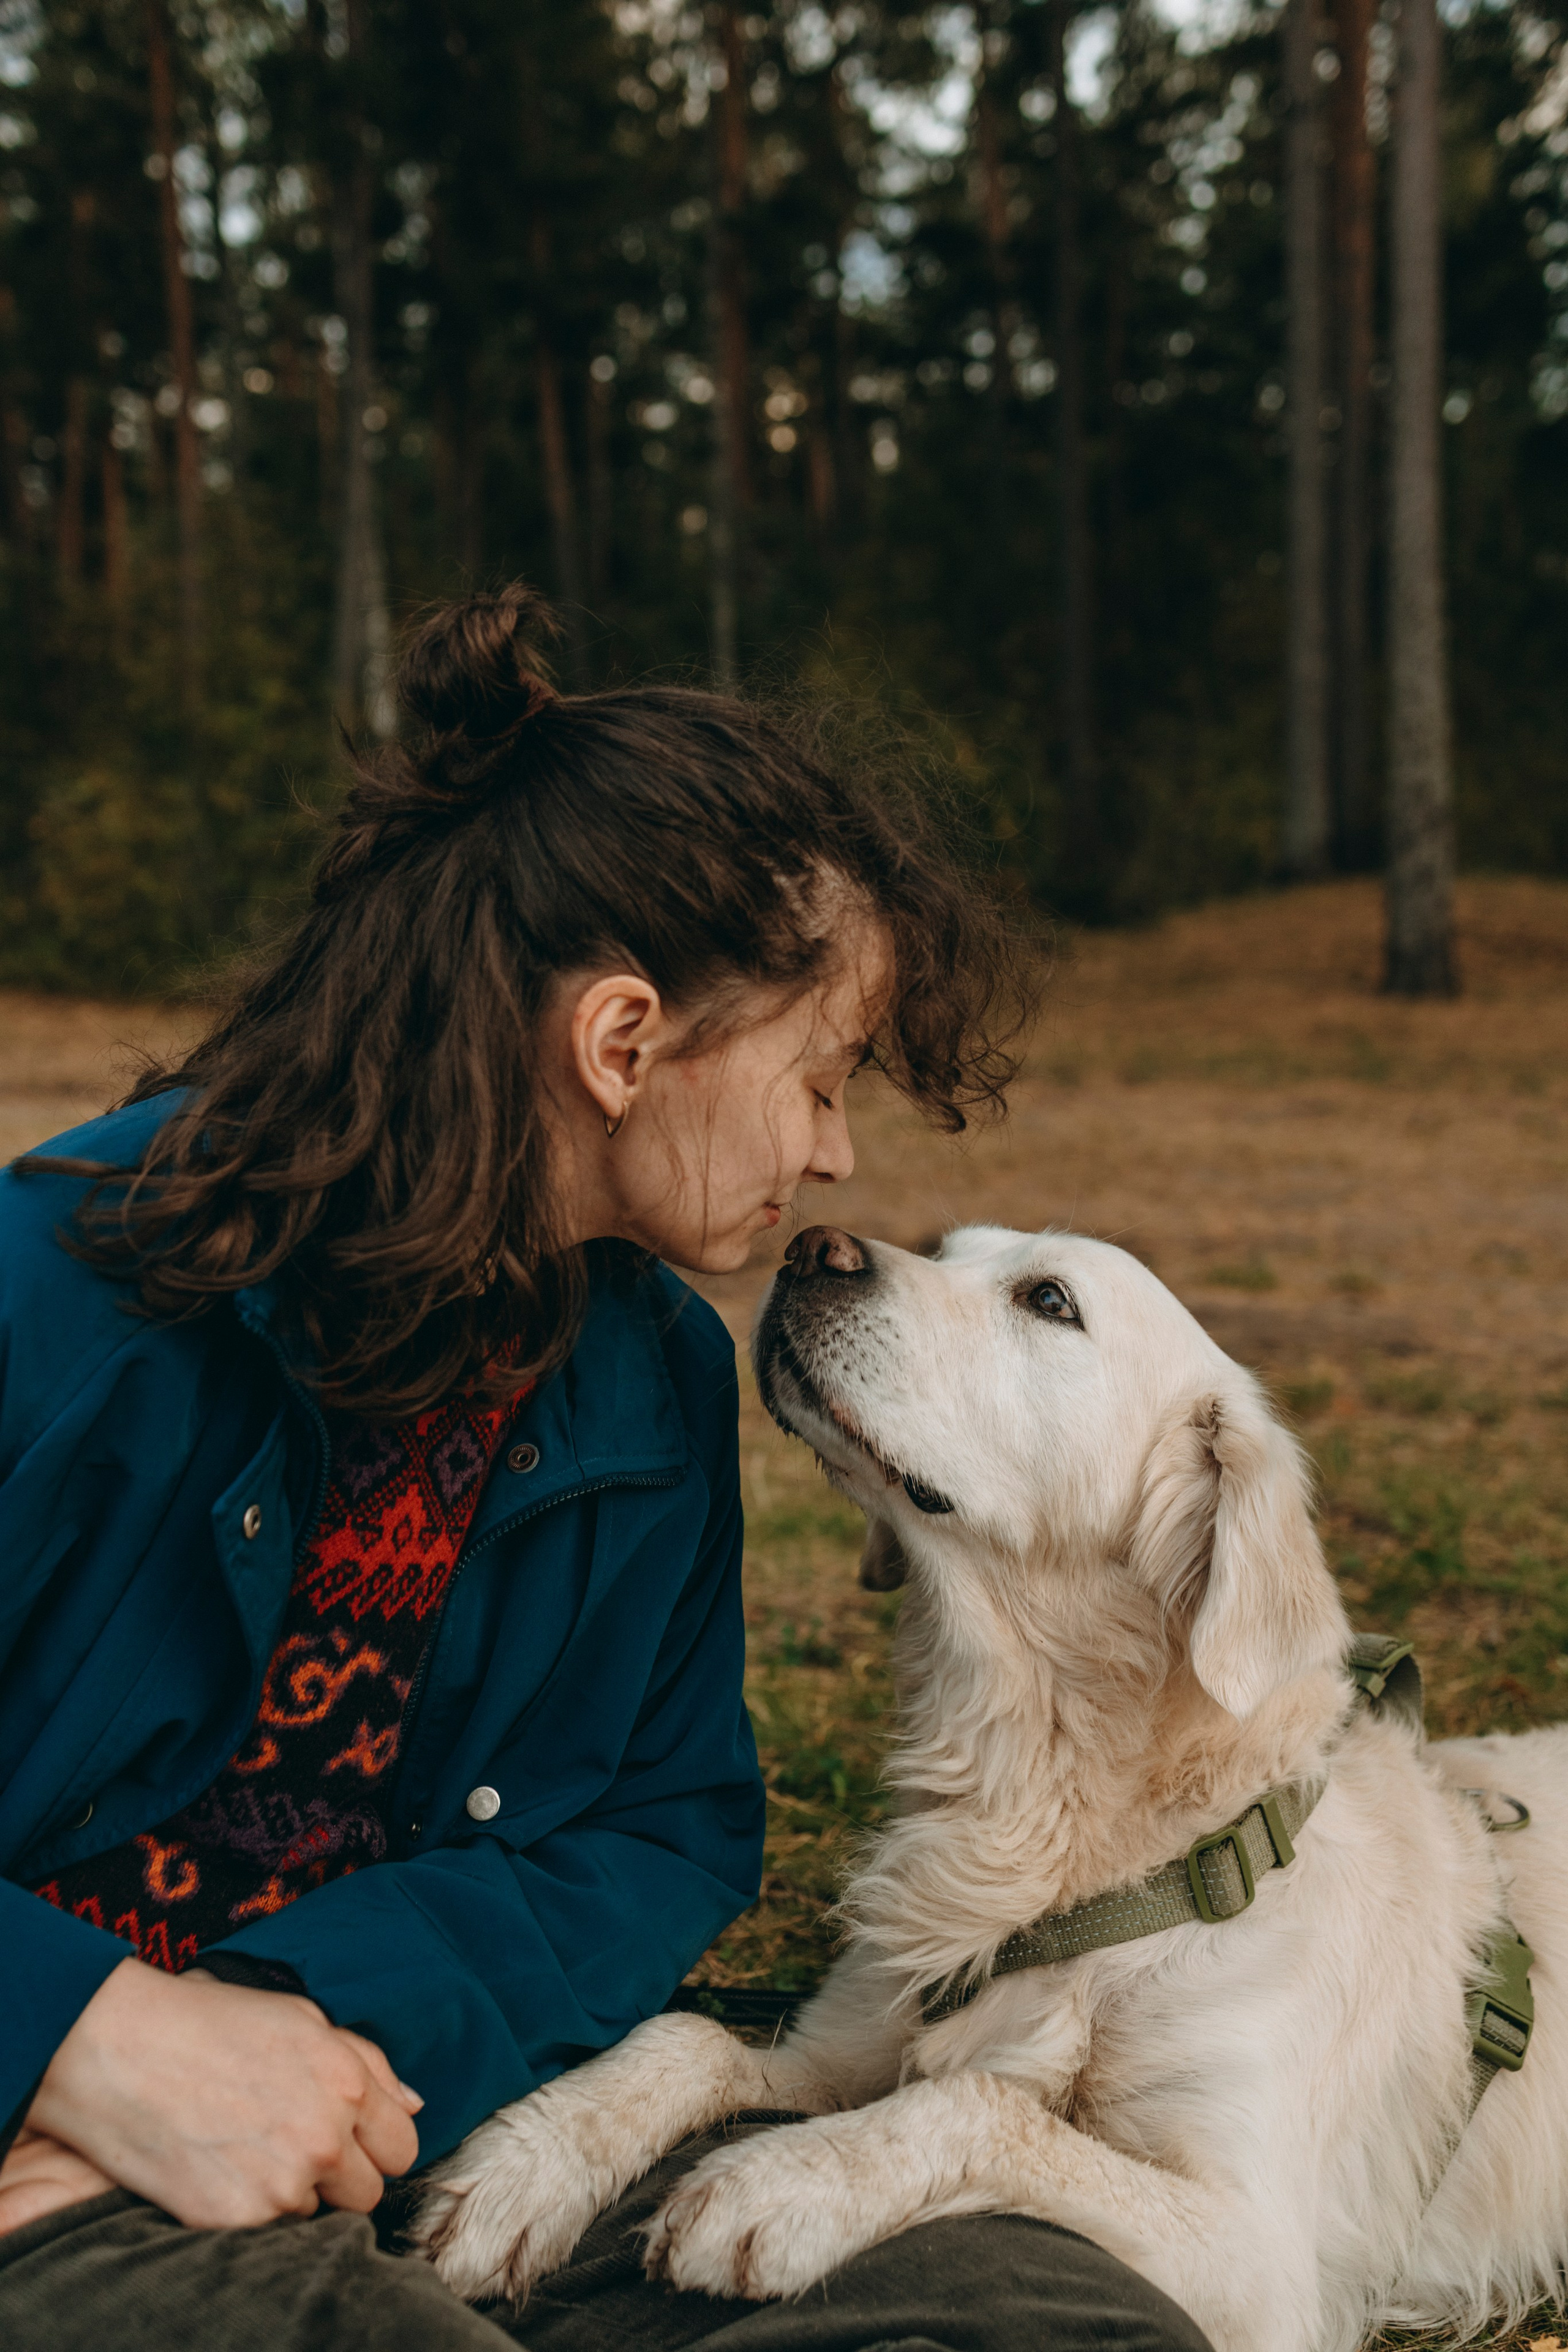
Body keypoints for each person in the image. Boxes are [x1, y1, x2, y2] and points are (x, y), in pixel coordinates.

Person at [0, 586, 1212, 2352]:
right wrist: (88, 2039)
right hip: (56, 2154)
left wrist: (298, 2019)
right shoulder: (67, 1289)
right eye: (821, 1078)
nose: (835, 1151)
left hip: (429, 2092)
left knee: (1037, 2308)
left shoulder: (649, 1380)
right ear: (623, 1044)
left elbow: (661, 1826)